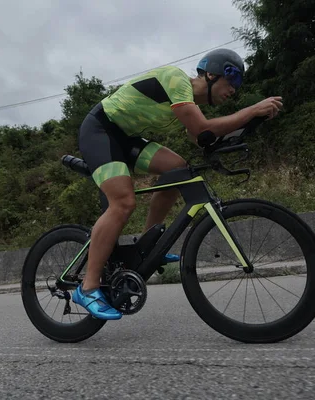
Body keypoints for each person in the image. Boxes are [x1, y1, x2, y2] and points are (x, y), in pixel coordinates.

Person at [72, 48, 283, 319]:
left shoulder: (186, 105)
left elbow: (205, 139)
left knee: (178, 169)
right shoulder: (176, 81)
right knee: (123, 202)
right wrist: (251, 109)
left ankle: (147, 247)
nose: (234, 90)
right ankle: (87, 288)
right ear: (210, 74)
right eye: (232, 82)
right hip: (100, 130)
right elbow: (203, 129)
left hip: (126, 139)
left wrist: (252, 122)